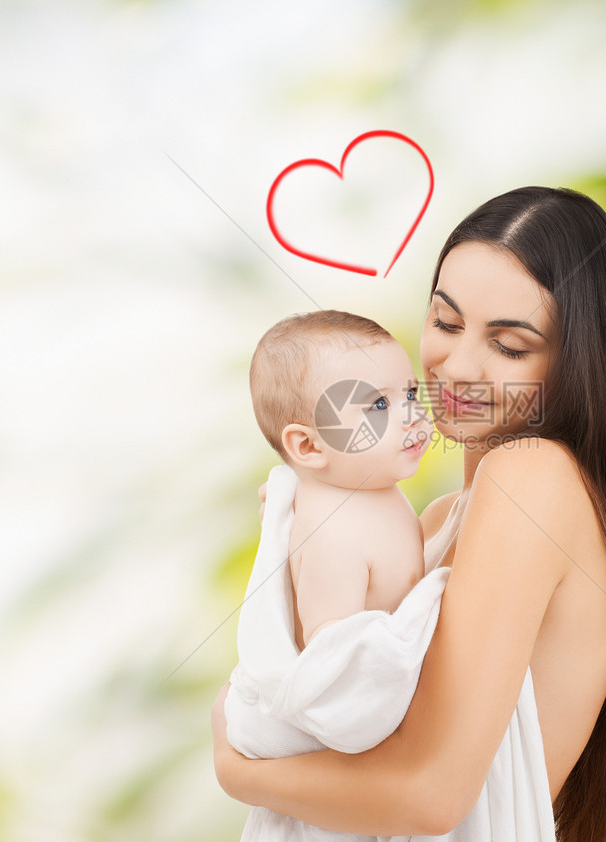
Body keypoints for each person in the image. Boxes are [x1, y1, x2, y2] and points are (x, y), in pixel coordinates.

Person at [212, 186, 606, 842]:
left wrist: (237, 765)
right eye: (446, 323)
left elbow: (430, 796)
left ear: (574, 361)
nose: (456, 366)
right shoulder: (437, 519)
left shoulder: (531, 476)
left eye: (509, 346)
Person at [226, 310, 449, 841]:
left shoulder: (370, 491)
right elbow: (335, 670)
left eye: (410, 394)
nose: (411, 416)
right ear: (308, 447)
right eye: (378, 404)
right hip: (339, 783)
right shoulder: (333, 532)